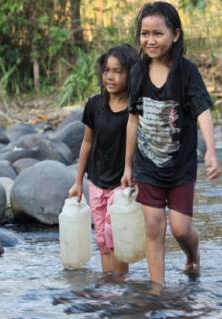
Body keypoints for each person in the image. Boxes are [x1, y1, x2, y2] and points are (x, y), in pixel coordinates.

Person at [121, 2, 220, 286]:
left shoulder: (186, 72)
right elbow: (133, 119)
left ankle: (192, 255)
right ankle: (157, 291)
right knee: (153, 227)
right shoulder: (138, 72)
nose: (150, 40)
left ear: (175, 35)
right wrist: (128, 166)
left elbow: (202, 109)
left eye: (158, 34)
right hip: (148, 164)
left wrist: (211, 151)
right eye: (144, 34)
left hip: (180, 166)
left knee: (180, 228)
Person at [68, 44, 138, 273]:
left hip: (121, 184)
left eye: (118, 71)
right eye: (107, 70)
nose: (110, 76)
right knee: (101, 239)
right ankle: (110, 289)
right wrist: (78, 182)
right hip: (97, 181)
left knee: (115, 236)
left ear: (131, 74)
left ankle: (119, 285)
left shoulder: (134, 109)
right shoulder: (95, 105)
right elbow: (86, 143)